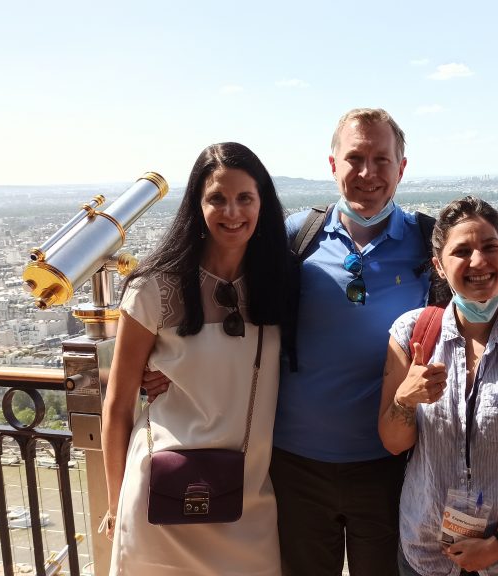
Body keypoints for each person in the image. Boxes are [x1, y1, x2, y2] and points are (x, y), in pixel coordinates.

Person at [101, 142, 289, 575]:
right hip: (160, 498)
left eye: (245, 198)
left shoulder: (280, 283)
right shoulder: (154, 289)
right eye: (217, 199)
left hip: (249, 502)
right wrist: (116, 503)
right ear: (196, 205)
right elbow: (117, 403)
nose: (232, 212)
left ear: (263, 203)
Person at [270, 108, 434, 575]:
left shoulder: (428, 242)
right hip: (295, 463)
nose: (367, 173)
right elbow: (232, 308)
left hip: (391, 464)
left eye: (381, 160)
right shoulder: (295, 238)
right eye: (355, 158)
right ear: (332, 164)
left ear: (402, 168)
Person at [379, 196, 498, 576]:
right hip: (427, 551)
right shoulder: (411, 334)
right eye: (462, 251)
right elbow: (393, 441)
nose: (479, 262)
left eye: (489, 247)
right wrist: (405, 399)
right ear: (438, 265)